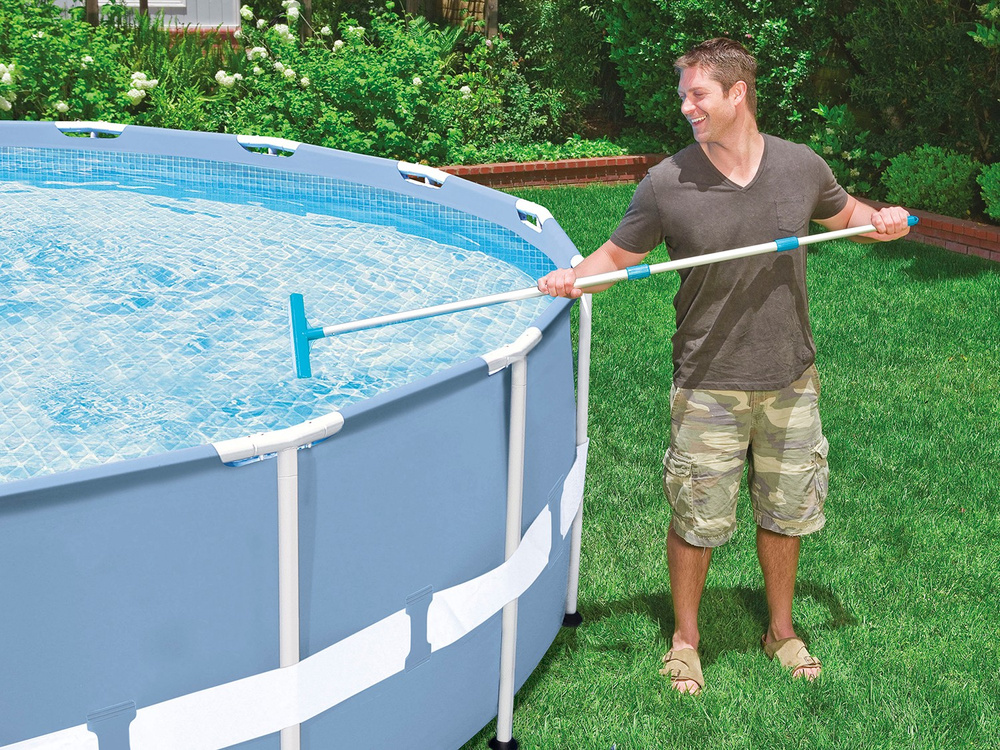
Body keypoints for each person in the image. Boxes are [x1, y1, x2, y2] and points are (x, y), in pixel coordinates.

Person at [537, 37, 911, 695]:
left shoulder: (800, 166)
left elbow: (846, 213)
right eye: (683, 95)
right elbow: (615, 258)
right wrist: (574, 278)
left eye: (698, 94)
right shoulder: (667, 182)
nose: (687, 107)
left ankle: (781, 631)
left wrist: (880, 220)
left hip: (790, 377)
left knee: (786, 513)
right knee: (697, 518)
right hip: (708, 379)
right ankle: (685, 640)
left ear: (738, 93)